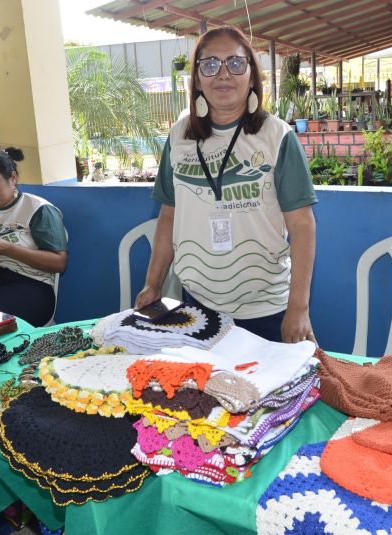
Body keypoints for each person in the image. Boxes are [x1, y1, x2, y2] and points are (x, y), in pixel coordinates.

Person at [136, 26, 318, 344]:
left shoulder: (277, 137)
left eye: (235, 63)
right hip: (196, 306)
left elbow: (302, 225)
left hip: (266, 310)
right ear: (197, 77)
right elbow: (168, 215)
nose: (222, 74)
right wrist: (153, 284)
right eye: (210, 64)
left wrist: (299, 308)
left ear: (251, 73)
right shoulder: (179, 136)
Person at [0, 148, 68, 327]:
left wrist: (8, 248)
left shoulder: (38, 209)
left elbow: (59, 263)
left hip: (31, 285)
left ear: (12, 178)